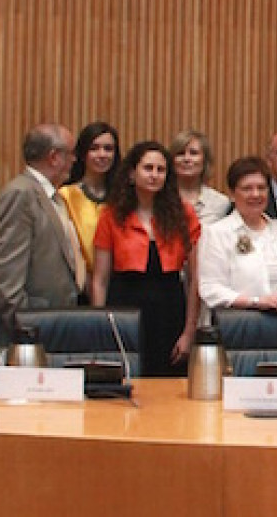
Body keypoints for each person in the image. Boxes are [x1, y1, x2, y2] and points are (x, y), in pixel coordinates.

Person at [91, 142, 202, 376]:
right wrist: (101, 327)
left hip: (170, 311)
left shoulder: (184, 214)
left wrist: (190, 331)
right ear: (132, 174)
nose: (154, 175)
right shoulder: (111, 215)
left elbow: (194, 280)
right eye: (148, 168)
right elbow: (100, 279)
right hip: (125, 307)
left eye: (160, 170)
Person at [0, 124, 84, 351]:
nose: (75, 160)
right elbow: (8, 278)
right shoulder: (21, 195)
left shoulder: (52, 197)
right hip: (23, 340)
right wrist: (27, 330)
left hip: (47, 330)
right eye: (71, 153)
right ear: (54, 157)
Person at [197, 157, 277, 312]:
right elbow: (210, 288)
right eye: (247, 188)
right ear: (232, 194)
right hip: (240, 326)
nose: (256, 194)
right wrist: (255, 302)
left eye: (261, 188)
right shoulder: (217, 233)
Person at [57, 122, 119, 302]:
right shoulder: (66, 195)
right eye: (94, 148)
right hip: (78, 287)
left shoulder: (123, 197)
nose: (102, 155)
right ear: (82, 153)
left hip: (120, 286)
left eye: (108, 149)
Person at [172, 130, 230, 224]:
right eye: (180, 153)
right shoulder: (159, 199)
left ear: (205, 160)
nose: (186, 159)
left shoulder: (221, 203)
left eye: (193, 153)